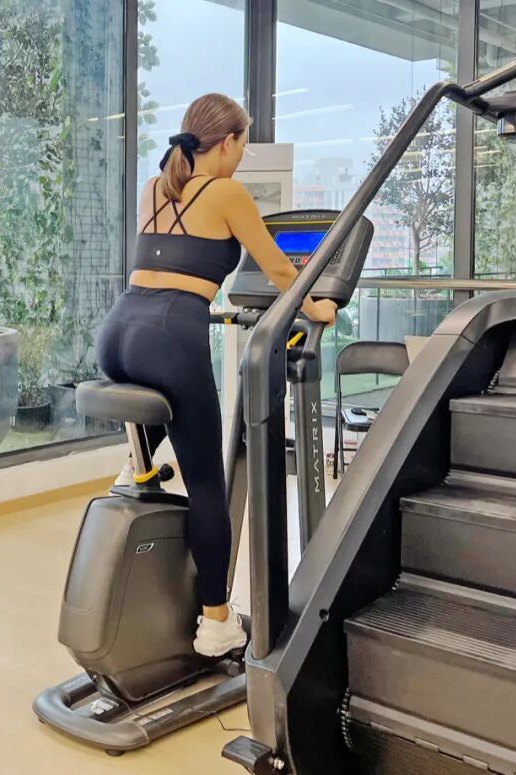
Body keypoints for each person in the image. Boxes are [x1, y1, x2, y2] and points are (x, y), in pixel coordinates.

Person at [96, 93, 338, 658]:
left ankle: (135, 467)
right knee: (208, 484)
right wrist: (319, 308)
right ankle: (215, 623)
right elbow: (280, 269)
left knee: (157, 442)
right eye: (242, 146)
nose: (241, 158)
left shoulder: (155, 187)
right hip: (168, 338)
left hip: (117, 333)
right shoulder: (227, 192)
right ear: (227, 142)